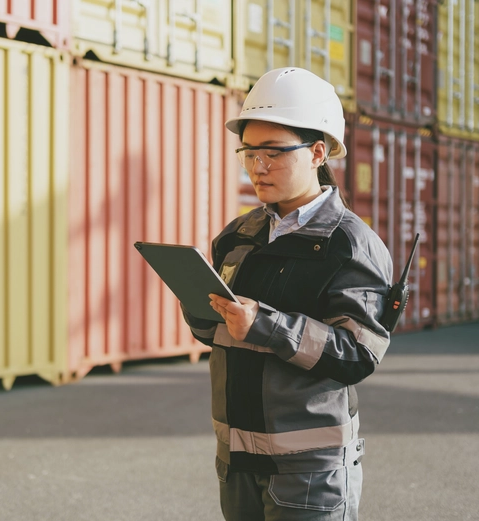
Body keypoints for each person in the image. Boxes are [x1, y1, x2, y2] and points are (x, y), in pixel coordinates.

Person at [182, 67, 394, 521]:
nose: (258, 166)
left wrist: (265, 324)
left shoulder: (350, 245)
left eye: (274, 153)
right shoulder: (239, 235)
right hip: (236, 460)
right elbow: (212, 332)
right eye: (249, 152)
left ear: (318, 152)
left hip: (309, 470)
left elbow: (357, 354)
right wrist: (196, 299)